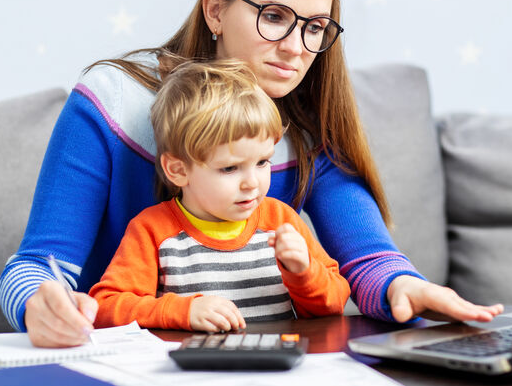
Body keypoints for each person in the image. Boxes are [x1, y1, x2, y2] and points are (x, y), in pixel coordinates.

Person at [0, 0, 502, 348]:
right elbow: (35, 267)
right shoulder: (111, 101)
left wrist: (401, 286)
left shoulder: (306, 126)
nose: (295, 47)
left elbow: (368, 260)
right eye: (275, 16)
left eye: (313, 27)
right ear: (215, 9)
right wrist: (40, 305)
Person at [89, 60, 350, 330]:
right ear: (178, 170)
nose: (252, 183)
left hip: (277, 367)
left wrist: (304, 272)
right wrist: (183, 311)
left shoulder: (281, 220)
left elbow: (335, 303)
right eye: (229, 168)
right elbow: (106, 307)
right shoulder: (153, 230)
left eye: (262, 162)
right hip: (194, 369)